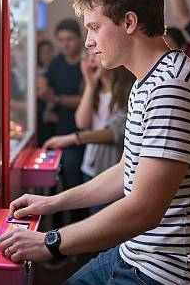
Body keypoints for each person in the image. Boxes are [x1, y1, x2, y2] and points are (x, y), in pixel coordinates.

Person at [0, 0, 190, 285]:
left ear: (129, 22)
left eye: (94, 27)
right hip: (140, 255)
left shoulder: (173, 88)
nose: (88, 42)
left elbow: (143, 210)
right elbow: (126, 170)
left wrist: (51, 241)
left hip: (174, 277)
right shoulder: (146, 81)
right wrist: (53, 202)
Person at [43, 53, 134, 214]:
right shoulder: (93, 88)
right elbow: (82, 122)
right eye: (88, 57)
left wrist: (73, 138)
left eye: (96, 55)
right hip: (90, 166)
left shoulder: (128, 89)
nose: (91, 61)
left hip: (112, 170)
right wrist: (90, 85)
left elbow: (115, 133)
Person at [37, 19, 85, 220]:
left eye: (70, 39)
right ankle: (56, 231)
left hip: (81, 134)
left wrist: (56, 98)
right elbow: (45, 91)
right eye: (61, 40)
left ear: (80, 39)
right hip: (57, 131)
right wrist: (43, 92)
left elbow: (86, 101)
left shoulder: (86, 64)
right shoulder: (56, 64)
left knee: (76, 185)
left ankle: (78, 230)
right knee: (57, 183)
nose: (65, 44)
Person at [37, 39, 56, 146]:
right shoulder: (35, 73)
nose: (46, 55)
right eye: (43, 52)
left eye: (49, 51)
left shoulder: (56, 69)